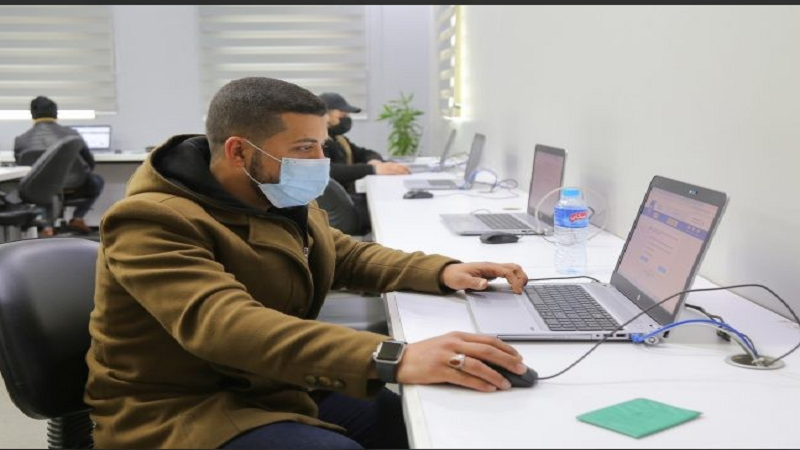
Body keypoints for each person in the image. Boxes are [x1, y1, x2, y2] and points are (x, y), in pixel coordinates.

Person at [85, 77, 530, 449]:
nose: (321, 162)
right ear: (239, 152)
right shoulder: (151, 220)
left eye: (322, 146)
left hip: (270, 383)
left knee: (408, 422)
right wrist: (393, 355)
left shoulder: (272, 195)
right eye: (304, 148)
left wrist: (441, 271)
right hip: (180, 409)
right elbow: (223, 325)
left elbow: (344, 254)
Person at [320, 93, 411, 235]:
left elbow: (364, 152)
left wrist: (374, 161)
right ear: (324, 115)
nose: (347, 118)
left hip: (350, 197)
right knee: (389, 207)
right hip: (344, 206)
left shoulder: (338, 139)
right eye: (342, 114)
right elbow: (329, 171)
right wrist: (373, 169)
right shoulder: (318, 142)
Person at [12, 96, 104, 235]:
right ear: (55, 114)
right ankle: (78, 217)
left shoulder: (21, 140)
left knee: (44, 188)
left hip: (40, 189)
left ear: (32, 115)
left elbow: (23, 170)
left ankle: (47, 226)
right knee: (98, 180)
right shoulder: (72, 135)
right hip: (75, 186)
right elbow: (90, 162)